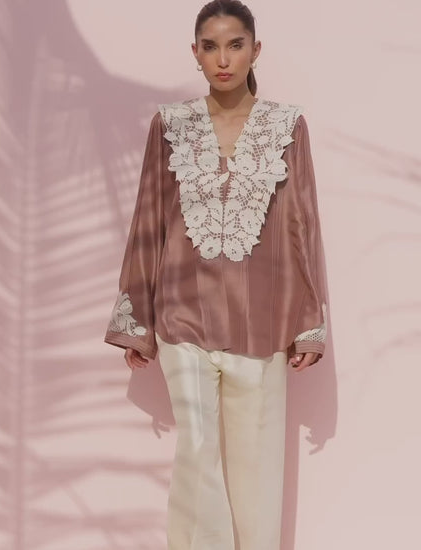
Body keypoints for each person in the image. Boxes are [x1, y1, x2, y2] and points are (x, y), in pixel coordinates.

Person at [104, 1, 328, 548]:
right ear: (196, 53)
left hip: (262, 317)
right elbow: (149, 218)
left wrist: (308, 322)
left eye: (234, 45)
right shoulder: (171, 125)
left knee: (257, 464)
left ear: (255, 50)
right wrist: (137, 322)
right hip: (183, 314)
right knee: (197, 452)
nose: (223, 59)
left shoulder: (286, 126)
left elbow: (301, 222)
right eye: (210, 47)